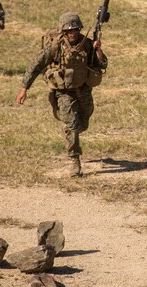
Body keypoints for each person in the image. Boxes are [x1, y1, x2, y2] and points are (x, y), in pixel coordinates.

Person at [16, 12, 108, 178]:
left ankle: (71, 131)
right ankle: (75, 161)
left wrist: (98, 49)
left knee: (83, 123)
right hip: (63, 92)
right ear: (64, 32)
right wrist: (24, 88)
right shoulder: (55, 46)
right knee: (71, 124)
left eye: (75, 30)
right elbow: (36, 65)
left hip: (83, 90)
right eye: (69, 30)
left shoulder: (87, 44)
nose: (72, 33)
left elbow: (102, 64)